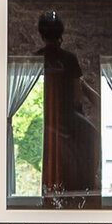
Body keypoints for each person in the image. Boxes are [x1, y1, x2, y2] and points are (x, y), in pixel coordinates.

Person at [36, 11, 99, 203]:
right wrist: (77, 110)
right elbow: (76, 94)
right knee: (92, 136)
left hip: (43, 113)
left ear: (41, 35)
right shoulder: (69, 59)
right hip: (65, 114)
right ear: (60, 35)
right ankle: (89, 181)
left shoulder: (36, 58)